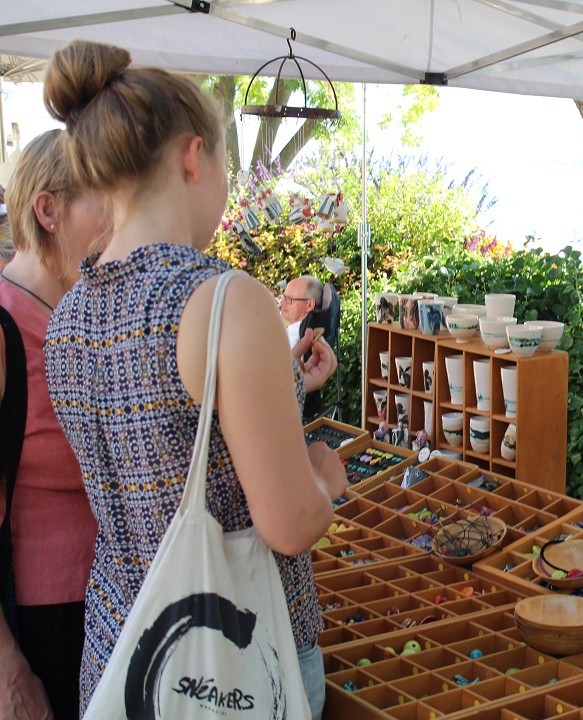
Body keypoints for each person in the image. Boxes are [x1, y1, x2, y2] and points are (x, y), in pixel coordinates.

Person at [40, 40, 347, 717]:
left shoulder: (68, 315)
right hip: (230, 665)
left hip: (120, 655)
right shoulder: (224, 298)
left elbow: (163, 437)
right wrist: (324, 480)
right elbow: (291, 524)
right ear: (192, 156)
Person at [0, 130, 108, 720]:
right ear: (49, 210)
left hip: (101, 605)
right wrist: (6, 662)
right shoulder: (5, 323)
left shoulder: (78, 314)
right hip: (42, 621)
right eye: (104, 201)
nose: (119, 220)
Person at [280, 274, 323, 347]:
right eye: (283, 297)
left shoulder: (295, 341)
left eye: (289, 299)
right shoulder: (299, 330)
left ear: (309, 305)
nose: (281, 303)